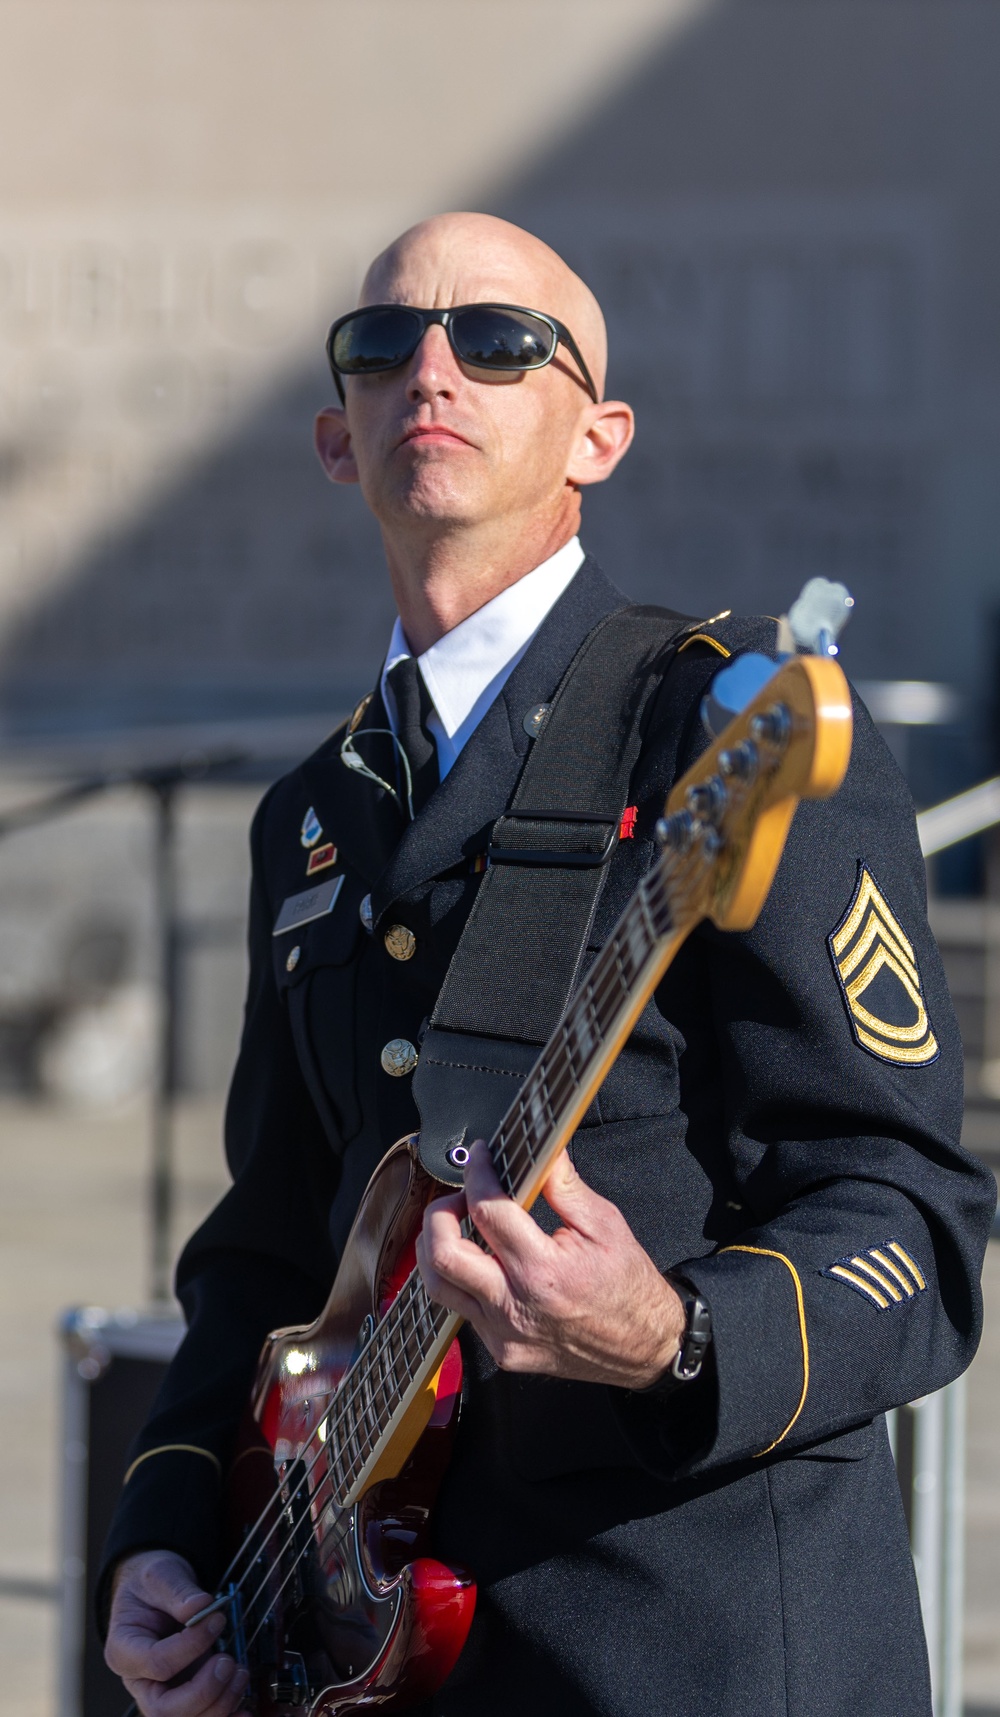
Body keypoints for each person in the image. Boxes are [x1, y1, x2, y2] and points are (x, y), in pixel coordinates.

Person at [101, 212, 994, 1717]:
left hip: (691, 1645)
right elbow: (267, 1240)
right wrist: (172, 1529)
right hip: (373, 1661)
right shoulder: (310, 816)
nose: (432, 371)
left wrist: (676, 1334)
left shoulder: (718, 732)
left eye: (500, 342)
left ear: (600, 436)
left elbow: (911, 1213)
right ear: (337, 440)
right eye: (383, 347)